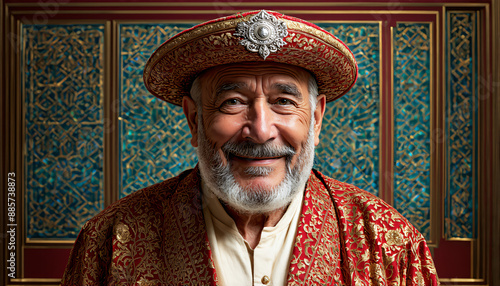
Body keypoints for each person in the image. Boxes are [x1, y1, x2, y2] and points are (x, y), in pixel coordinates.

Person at [62, 10, 439, 285]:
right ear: (194, 119)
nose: (260, 131)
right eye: (233, 102)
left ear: (317, 118)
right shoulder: (112, 240)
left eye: (284, 102)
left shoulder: (388, 242)